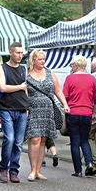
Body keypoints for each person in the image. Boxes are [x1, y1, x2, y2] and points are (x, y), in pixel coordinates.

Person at [25, 50, 69, 181]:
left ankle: (38, 170)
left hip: (48, 110)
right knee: (34, 139)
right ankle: (32, 170)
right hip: (34, 110)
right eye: (40, 59)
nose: (43, 61)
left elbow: (58, 90)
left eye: (44, 59)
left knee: (43, 140)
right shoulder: (27, 75)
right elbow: (24, 93)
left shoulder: (50, 73)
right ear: (33, 60)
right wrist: (25, 109)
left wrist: (65, 104)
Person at [0, 42, 29, 183]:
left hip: (21, 109)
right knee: (9, 139)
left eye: (21, 53)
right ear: (10, 52)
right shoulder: (2, 67)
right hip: (7, 109)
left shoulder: (23, 69)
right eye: (17, 52)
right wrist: (20, 87)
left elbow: (26, 89)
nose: (20, 55)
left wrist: (27, 107)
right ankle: (3, 167)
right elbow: (2, 88)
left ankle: (14, 169)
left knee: (19, 142)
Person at [63, 55, 96, 177]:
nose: (71, 67)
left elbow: (65, 96)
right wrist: (94, 113)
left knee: (75, 141)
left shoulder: (69, 78)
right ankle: (89, 163)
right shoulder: (92, 79)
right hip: (87, 113)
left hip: (73, 113)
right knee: (84, 140)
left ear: (76, 65)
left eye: (72, 65)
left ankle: (78, 170)